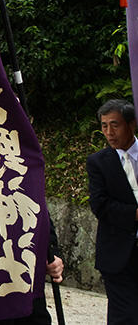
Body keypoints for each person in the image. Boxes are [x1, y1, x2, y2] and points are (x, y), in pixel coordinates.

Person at [86, 98, 138, 323]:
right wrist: (134, 214)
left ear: (131, 124)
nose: (109, 132)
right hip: (118, 254)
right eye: (104, 126)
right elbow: (100, 204)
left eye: (114, 125)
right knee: (124, 317)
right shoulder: (98, 162)